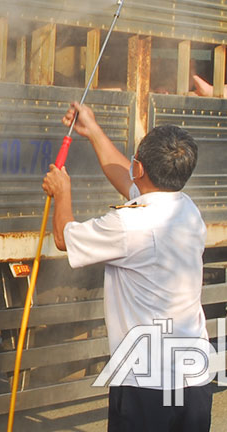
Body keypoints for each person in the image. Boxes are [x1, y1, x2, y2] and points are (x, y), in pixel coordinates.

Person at [41, 102, 212, 432]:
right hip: (193, 379)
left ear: (140, 167)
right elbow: (127, 178)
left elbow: (64, 238)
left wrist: (62, 193)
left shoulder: (128, 225)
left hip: (145, 384)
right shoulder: (186, 209)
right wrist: (92, 131)